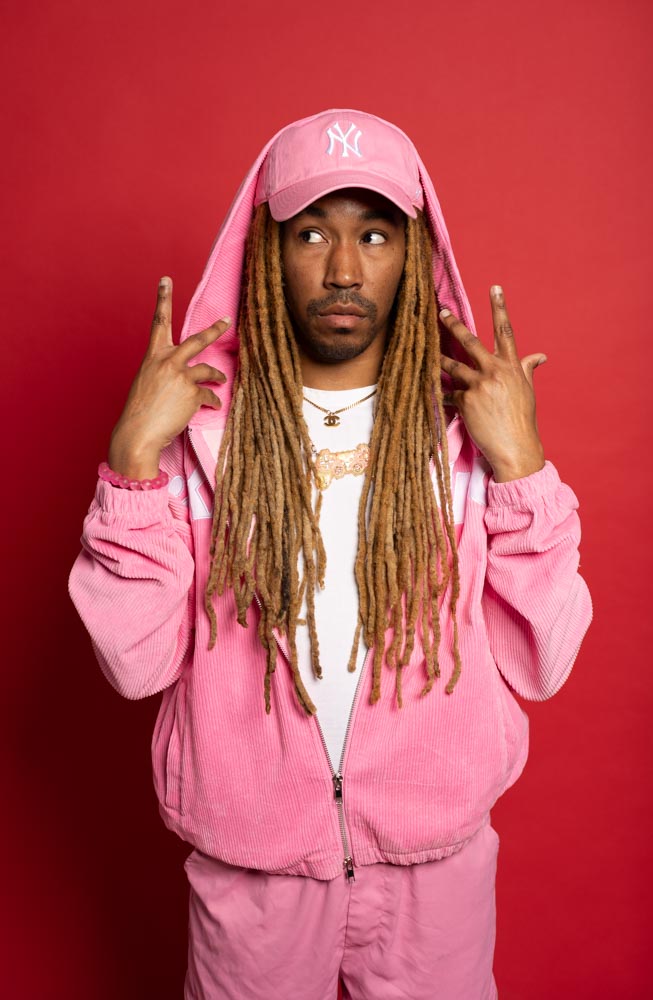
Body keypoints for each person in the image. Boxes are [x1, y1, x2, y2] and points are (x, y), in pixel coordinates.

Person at [69, 109, 592, 999]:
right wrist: (132, 463)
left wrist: (522, 468)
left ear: (414, 258)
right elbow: (134, 664)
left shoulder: (465, 440)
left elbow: (541, 662)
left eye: (375, 235)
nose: (344, 269)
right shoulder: (201, 442)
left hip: (436, 868)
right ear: (266, 255)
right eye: (310, 233)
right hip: (253, 871)